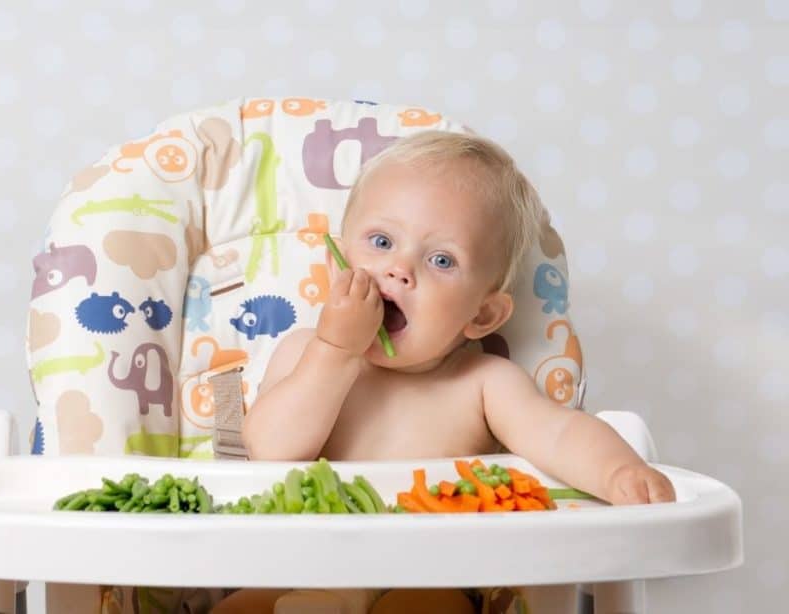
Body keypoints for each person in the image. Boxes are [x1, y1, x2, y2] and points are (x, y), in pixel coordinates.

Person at [211, 130, 675, 614]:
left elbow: (561, 435)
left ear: (483, 316)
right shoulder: (306, 352)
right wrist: (336, 351)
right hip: (299, 568)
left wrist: (620, 472)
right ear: (337, 263)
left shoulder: (483, 384)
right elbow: (270, 450)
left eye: (441, 260)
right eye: (382, 241)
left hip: (423, 579)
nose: (399, 269)